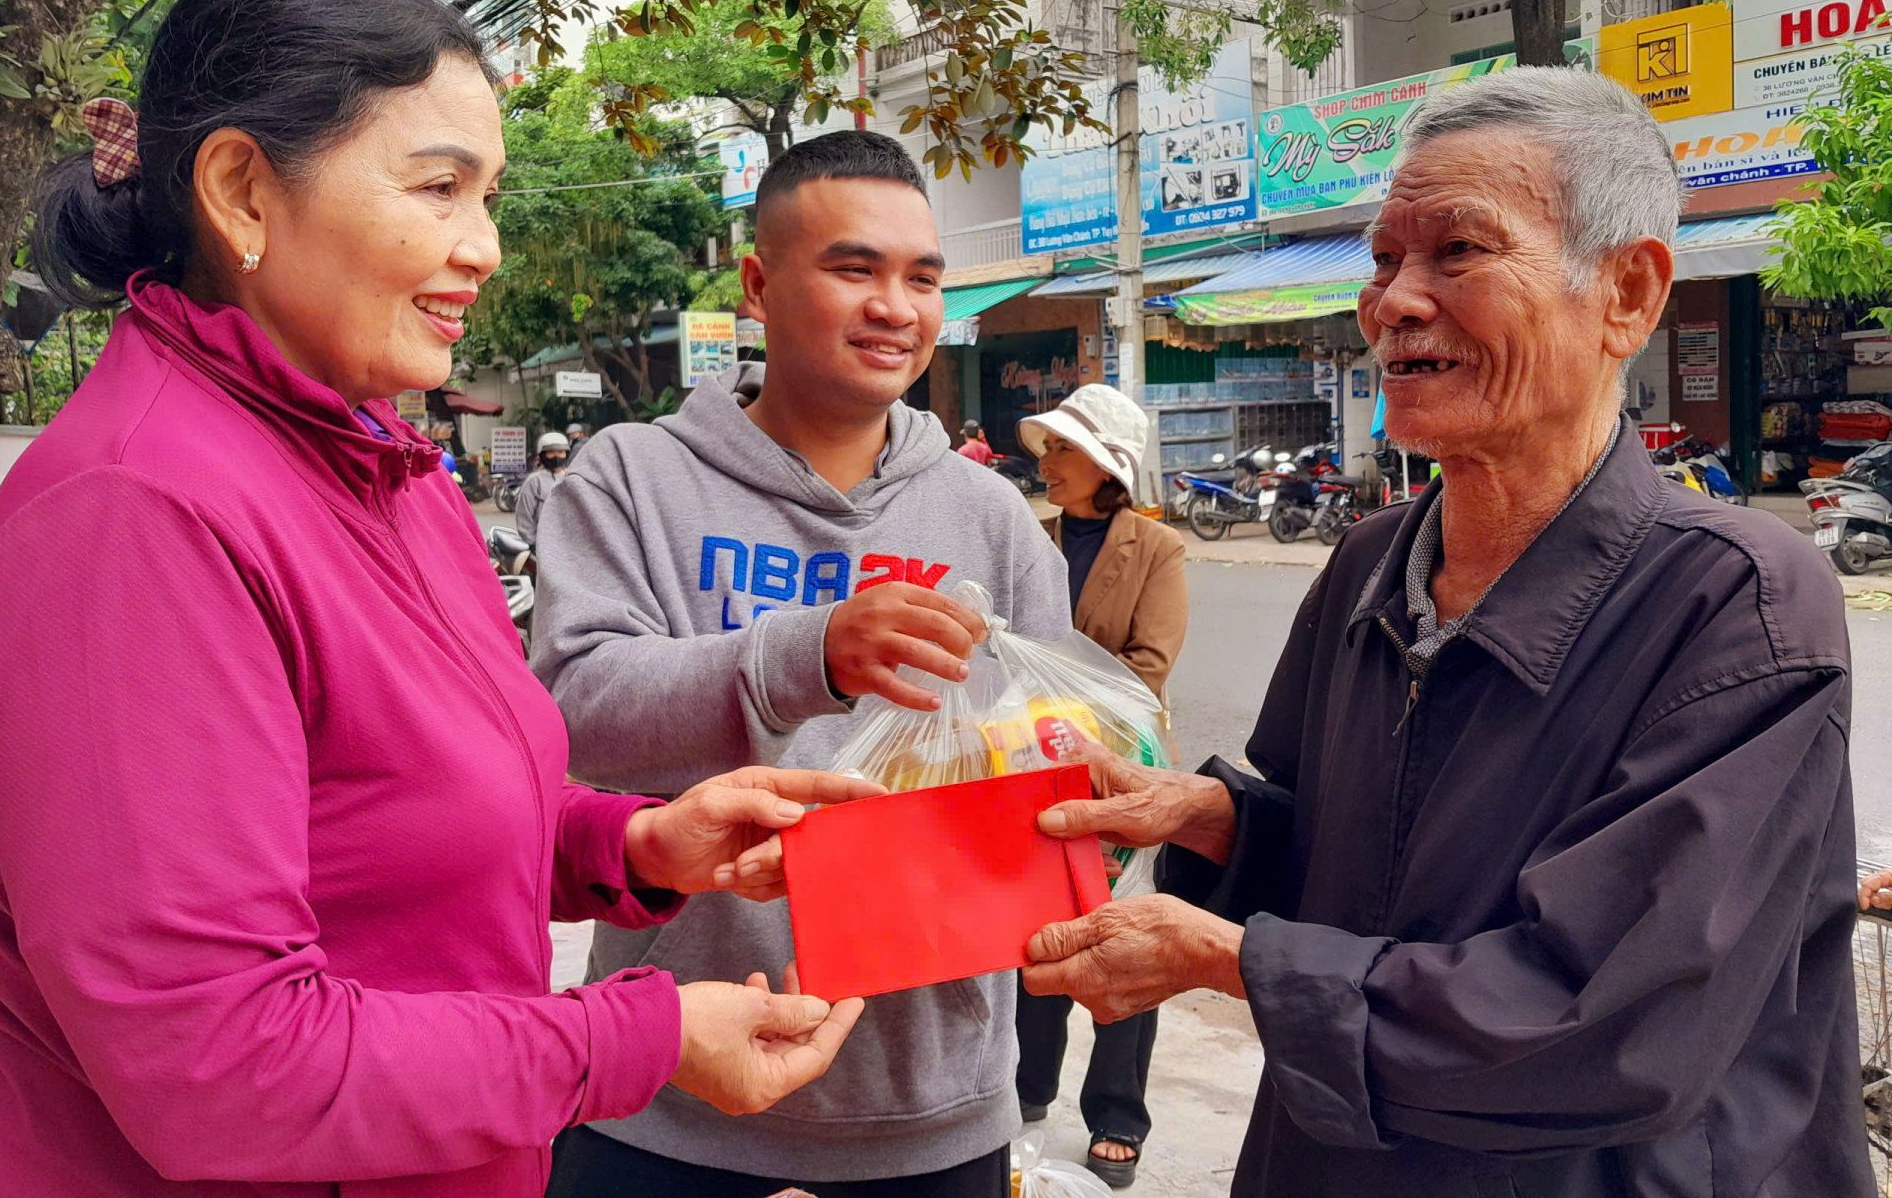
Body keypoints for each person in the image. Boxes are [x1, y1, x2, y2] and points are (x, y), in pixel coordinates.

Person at [0, 0, 869, 1198]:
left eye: (490, 197)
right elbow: (219, 1067)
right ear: (241, 190)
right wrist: (641, 1036)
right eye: (440, 189)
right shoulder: (134, 513)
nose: (484, 248)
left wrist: (645, 841)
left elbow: (401, 815)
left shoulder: (386, 467)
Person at [1019, 67, 1874, 1196]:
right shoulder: (1372, 562)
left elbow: (1612, 1018)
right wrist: (1218, 817)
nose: (1395, 302)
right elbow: (1340, 858)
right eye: (1383, 260)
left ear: (1626, 293)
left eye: (1458, 252)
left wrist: (1234, 963)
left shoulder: (1742, 602)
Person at [533, 129, 1073, 1197]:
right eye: (853, 268)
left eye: (923, 278)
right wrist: (808, 651)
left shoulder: (991, 514)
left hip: (930, 1105)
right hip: (666, 1097)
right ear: (757, 283)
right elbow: (573, 716)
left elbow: (1041, 763)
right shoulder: (632, 479)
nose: (896, 308)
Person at [1013, 384, 1188, 1188]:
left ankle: (1117, 1113)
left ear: (1106, 467)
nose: (1046, 463)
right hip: (1025, 764)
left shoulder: (1155, 550)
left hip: (1122, 768)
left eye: (1063, 451)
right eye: (1046, 449)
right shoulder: (1029, 539)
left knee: (1120, 934)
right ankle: (1026, 1089)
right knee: (1034, 928)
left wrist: (1067, 711)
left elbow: (1148, 668)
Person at [517, 431, 571, 546]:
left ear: (566, 454)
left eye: (560, 452)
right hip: (543, 544)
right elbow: (524, 517)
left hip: (570, 546)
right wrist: (534, 544)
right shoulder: (534, 481)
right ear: (542, 455)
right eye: (551, 452)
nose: (556, 456)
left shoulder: (572, 478)